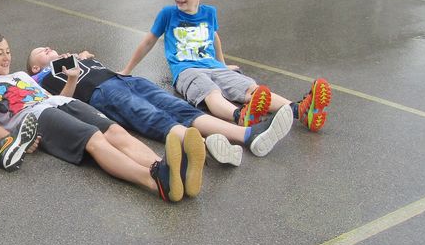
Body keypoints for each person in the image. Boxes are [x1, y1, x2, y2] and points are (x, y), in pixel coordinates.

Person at [0, 32, 205, 203]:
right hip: (38, 116)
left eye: (8, 52)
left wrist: (72, 78)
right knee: (94, 139)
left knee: (115, 131)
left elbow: (56, 97)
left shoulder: (21, 75)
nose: (7, 57)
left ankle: (167, 169)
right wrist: (17, 141)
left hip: (61, 103)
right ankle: (154, 180)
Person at [121, 0, 328, 134]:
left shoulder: (209, 13)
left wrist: (222, 64)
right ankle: (239, 116)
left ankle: (300, 110)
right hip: (187, 71)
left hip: (214, 67)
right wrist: (127, 70)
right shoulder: (168, 14)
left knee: (251, 89)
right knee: (210, 92)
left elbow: (214, 37)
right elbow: (148, 41)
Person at [27, 46, 294, 162]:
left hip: (124, 80)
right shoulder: (42, 78)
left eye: (48, 47)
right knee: (152, 116)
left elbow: (87, 59)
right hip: (102, 93)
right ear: (35, 67)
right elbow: (65, 101)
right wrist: (71, 77)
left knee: (178, 108)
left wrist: (80, 57)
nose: (47, 48)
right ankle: (205, 147)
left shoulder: (71, 59)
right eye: (40, 51)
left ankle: (247, 134)